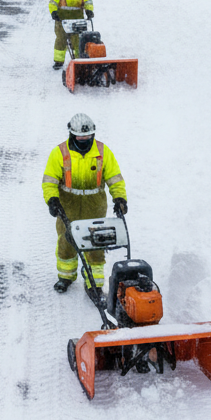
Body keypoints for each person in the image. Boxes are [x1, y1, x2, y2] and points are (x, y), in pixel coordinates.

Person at [41, 113, 128, 303]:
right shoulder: (60, 153)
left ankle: (94, 285)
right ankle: (66, 277)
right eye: (80, 137)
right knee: (67, 242)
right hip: (67, 205)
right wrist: (52, 200)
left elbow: (114, 178)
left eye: (87, 137)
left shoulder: (103, 152)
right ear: (72, 134)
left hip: (94, 205)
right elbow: (49, 181)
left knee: (96, 243)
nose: (83, 140)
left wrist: (120, 198)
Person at [49, 0, 94, 69]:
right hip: (62, 19)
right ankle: (59, 61)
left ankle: (78, 60)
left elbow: (88, 2)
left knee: (77, 41)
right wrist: (54, 13)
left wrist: (89, 11)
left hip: (77, 20)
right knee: (61, 39)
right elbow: (52, 3)